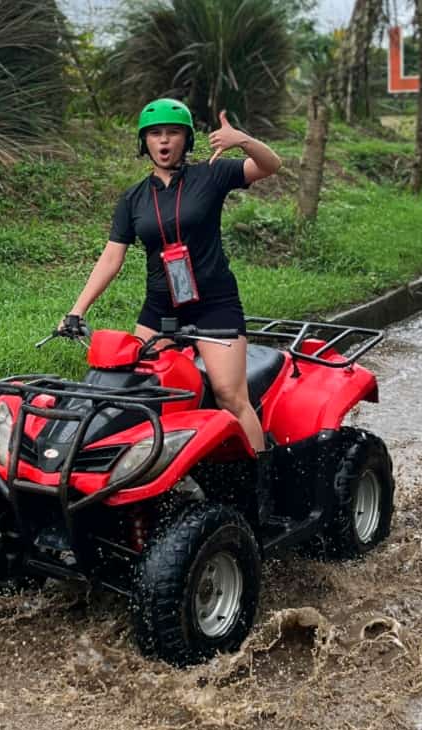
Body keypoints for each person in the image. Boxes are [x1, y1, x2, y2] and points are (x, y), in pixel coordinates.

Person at [59, 98, 282, 513]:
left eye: (173, 132)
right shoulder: (133, 198)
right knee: (138, 391)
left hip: (214, 306)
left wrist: (242, 140)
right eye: (155, 134)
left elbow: (271, 166)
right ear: (144, 142)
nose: (164, 141)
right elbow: (111, 258)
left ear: (186, 140)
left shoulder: (211, 174)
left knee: (230, 395)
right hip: (161, 310)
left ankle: (260, 492)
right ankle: (156, 481)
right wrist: (77, 310)